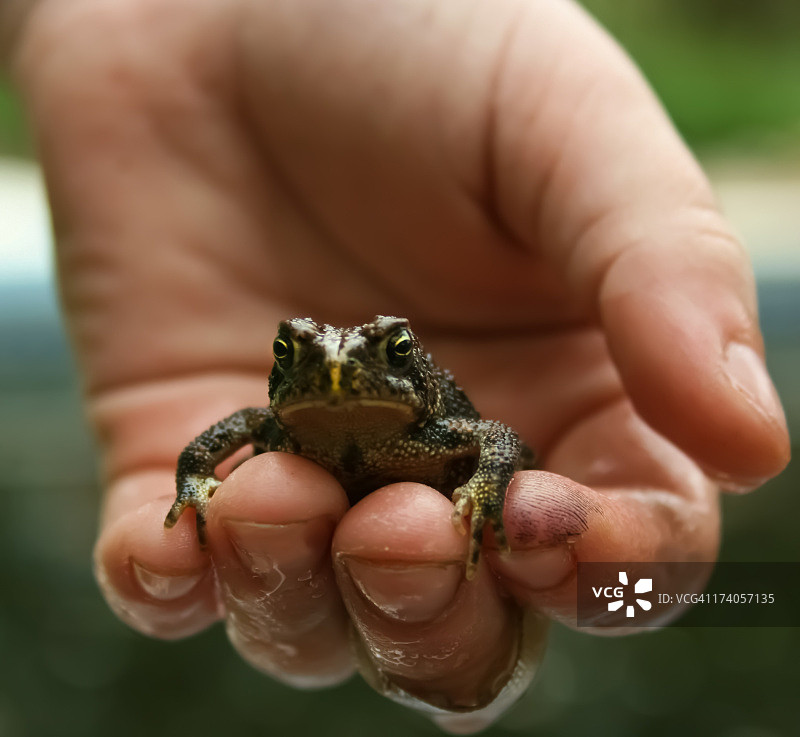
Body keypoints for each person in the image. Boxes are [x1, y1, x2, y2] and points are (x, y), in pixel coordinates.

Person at [4, 0, 789, 732]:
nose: (339, 375)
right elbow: (222, 437)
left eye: (387, 358)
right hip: (323, 481)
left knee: (509, 566)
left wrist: (486, 488)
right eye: (297, 357)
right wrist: (195, 487)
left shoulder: (433, 432)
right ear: (283, 370)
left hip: (410, 479)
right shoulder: (279, 429)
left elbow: (499, 438)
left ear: (407, 368)